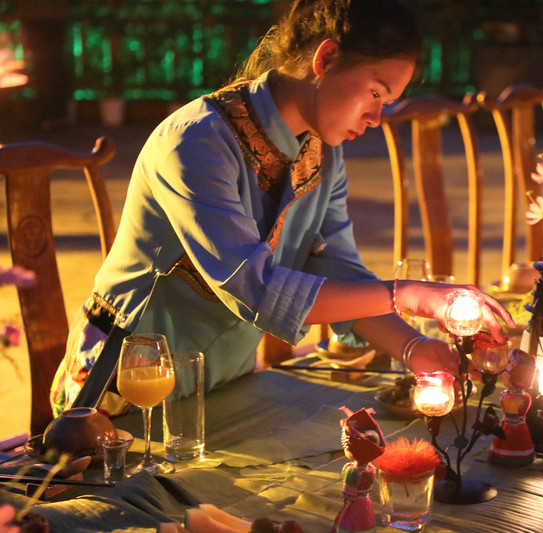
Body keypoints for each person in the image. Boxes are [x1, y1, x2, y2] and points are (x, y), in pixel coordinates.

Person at [50, 0, 514, 416]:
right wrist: (410, 293)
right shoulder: (196, 143)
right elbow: (257, 289)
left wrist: (416, 349)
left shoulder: (322, 153)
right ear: (326, 58)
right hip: (125, 393)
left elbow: (341, 273)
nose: (376, 118)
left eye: (386, 102)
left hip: (222, 384)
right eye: (375, 93)